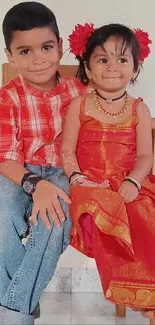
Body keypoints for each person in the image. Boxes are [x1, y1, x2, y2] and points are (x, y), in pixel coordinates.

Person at [0, 2, 87, 324]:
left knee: (55, 219)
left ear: (60, 47)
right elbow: (5, 156)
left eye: (46, 47)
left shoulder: (79, 91)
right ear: (9, 56)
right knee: (1, 214)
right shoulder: (7, 97)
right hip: (18, 173)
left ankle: (14, 312)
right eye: (24, 51)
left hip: (64, 172)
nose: (38, 59)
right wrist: (36, 185)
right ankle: (23, 301)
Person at [61, 22, 155, 321]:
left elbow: (144, 155)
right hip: (89, 184)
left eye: (122, 59)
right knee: (108, 204)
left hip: (128, 181)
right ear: (87, 69)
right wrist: (76, 177)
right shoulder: (79, 105)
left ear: (135, 69)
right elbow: (66, 150)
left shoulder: (139, 109)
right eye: (103, 59)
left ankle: (149, 301)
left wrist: (134, 180)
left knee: (143, 211)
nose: (113, 66)